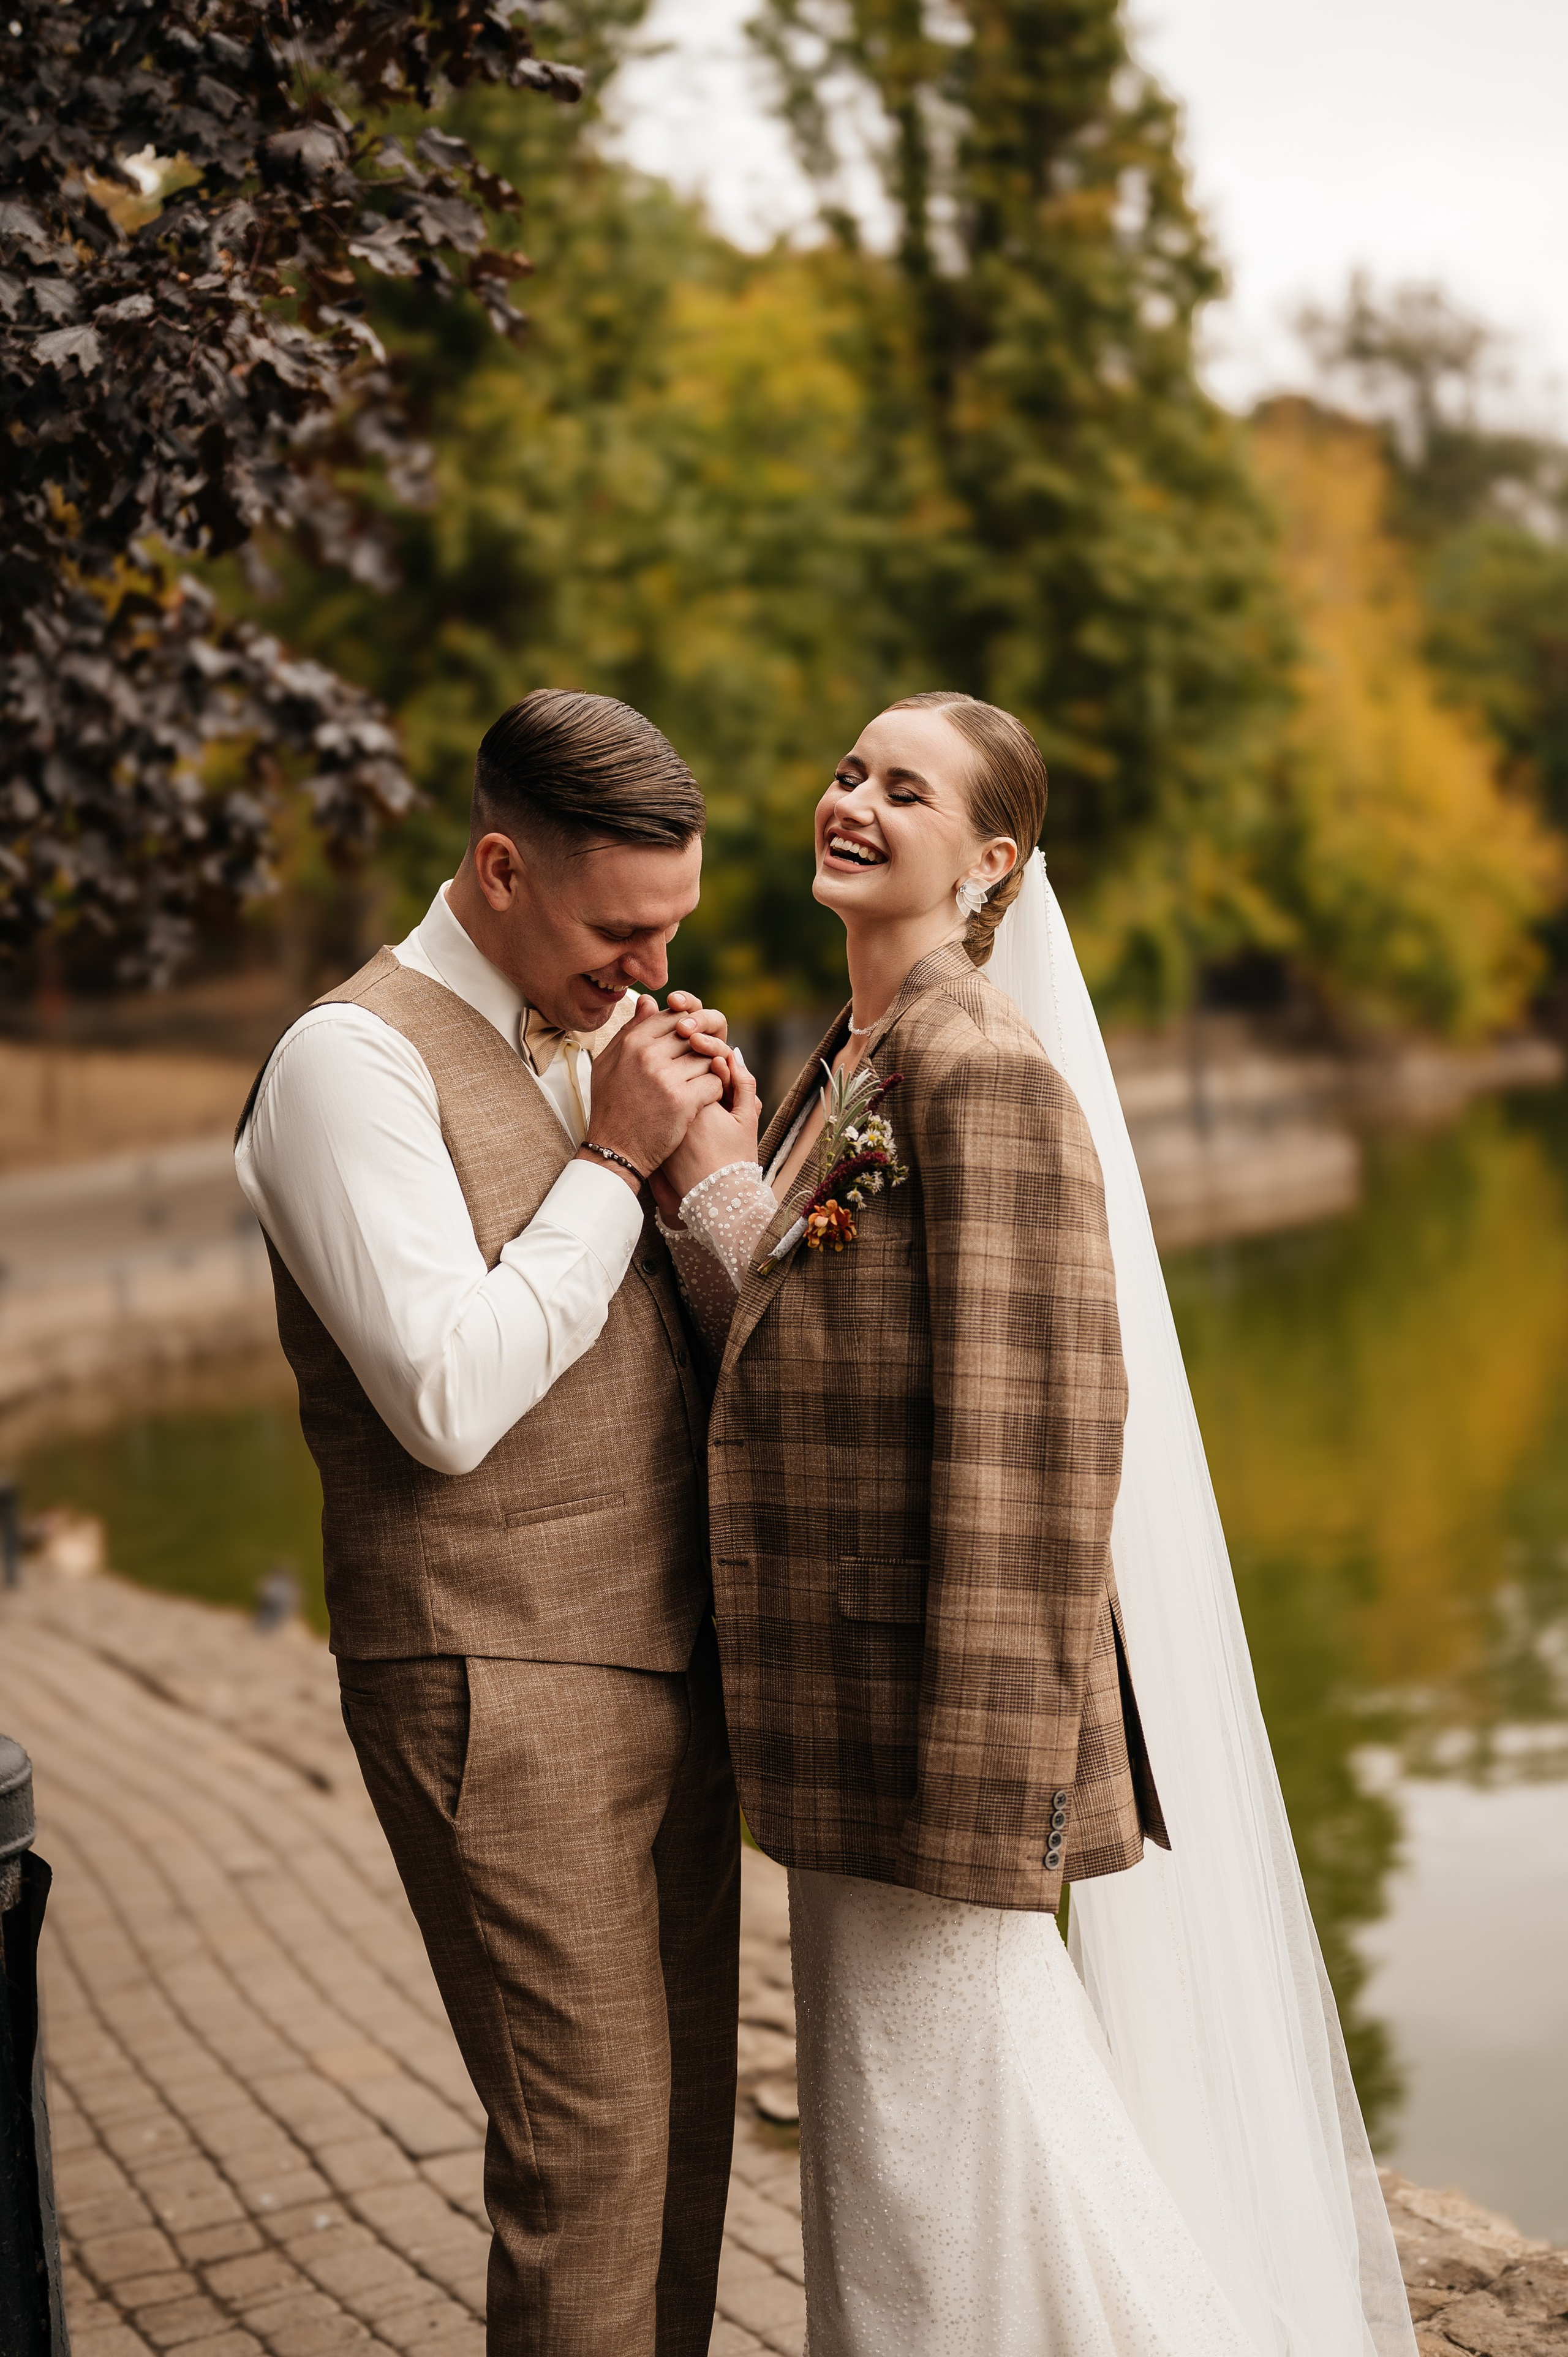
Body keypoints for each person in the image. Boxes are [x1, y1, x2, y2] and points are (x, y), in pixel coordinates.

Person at [654, 691, 1417, 2356]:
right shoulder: (845, 1058)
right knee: (892, 2126)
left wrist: (986, 1784)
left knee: (953, 2127)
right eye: (848, 770)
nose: (851, 799)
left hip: (941, 1736)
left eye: (903, 789)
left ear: (991, 860)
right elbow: (786, 1351)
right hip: (837, 1716)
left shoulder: (980, 1069)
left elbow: (1037, 1444)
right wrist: (709, 1164)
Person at [235, 689, 742, 2357]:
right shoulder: (348, 1063)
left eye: (673, 933)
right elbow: (446, 1398)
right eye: (621, 933)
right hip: (491, 1681)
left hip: (663, 1658)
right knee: (584, 2157)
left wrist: (694, 1170)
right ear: (502, 867)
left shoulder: (583, 1031)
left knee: (680, 2146)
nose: (651, 975)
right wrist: (614, 1156)